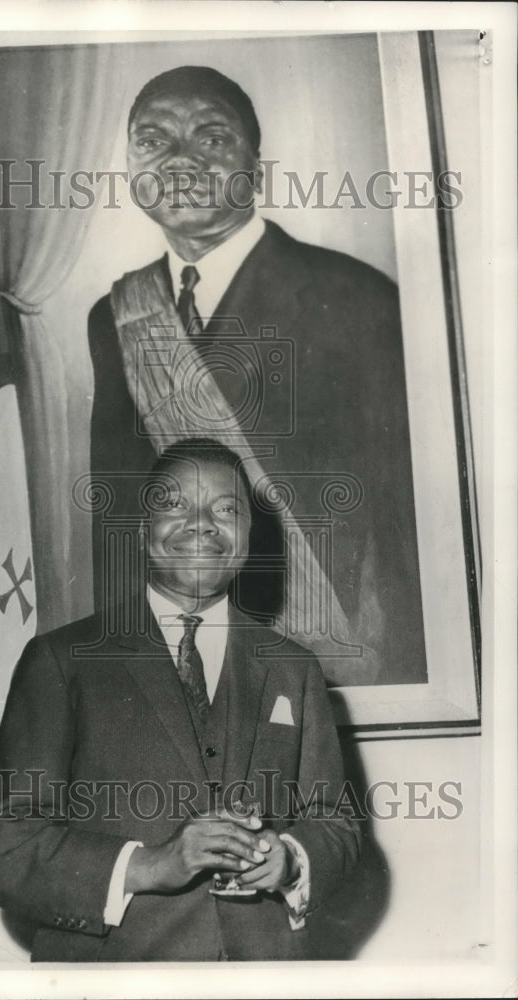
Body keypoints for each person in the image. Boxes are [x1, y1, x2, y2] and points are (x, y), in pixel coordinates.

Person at [0, 438, 360, 961]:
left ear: (248, 535)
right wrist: (149, 864)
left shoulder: (294, 667)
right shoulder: (62, 660)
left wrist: (291, 860)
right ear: (142, 530)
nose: (203, 525)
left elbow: (335, 822)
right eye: (176, 505)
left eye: (226, 509)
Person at [89, 65, 426, 686]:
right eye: (153, 140)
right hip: (187, 658)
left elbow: (405, 510)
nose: (180, 160)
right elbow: (118, 511)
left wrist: (415, 681)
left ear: (257, 168)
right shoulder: (115, 316)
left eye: (212, 138)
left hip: (334, 651)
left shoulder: (355, 297)